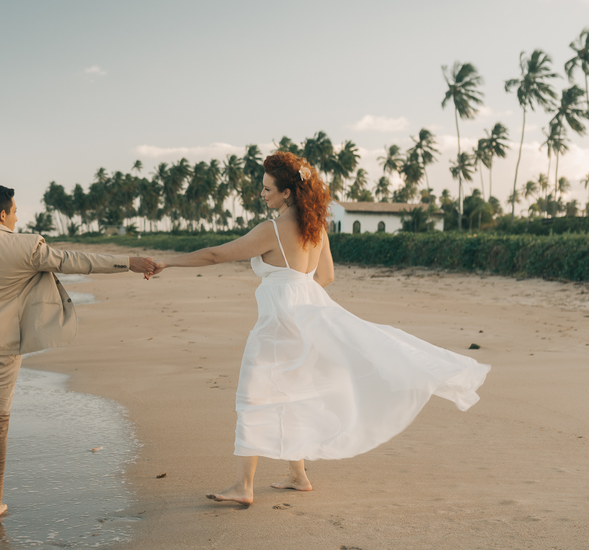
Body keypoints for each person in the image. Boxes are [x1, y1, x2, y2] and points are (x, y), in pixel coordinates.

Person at [149, 151, 490, 505]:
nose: (261, 194)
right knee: (289, 395)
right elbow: (325, 276)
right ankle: (298, 476)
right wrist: (299, 299)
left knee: (254, 396)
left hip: (277, 325)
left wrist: (167, 263)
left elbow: (216, 255)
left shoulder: (272, 230)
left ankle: (243, 487)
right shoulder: (317, 228)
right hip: (305, 320)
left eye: (267, 189)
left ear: (287, 193)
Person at [0, 184, 156, 532]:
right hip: (7, 349)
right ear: (3, 213)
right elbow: (76, 261)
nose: (17, 219)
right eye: (15, 212)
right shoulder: (28, 246)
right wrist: (128, 263)